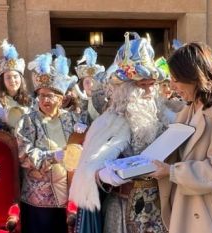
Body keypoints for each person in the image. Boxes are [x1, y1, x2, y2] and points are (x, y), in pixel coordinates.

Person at [69, 32, 170, 233]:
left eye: (152, 85)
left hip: (161, 206)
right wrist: (103, 174)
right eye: (142, 85)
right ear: (125, 87)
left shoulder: (166, 115)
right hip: (123, 207)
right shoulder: (108, 121)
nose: (150, 91)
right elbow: (88, 169)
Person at [148, 42, 212, 232]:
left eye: (176, 79)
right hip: (192, 209)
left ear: (194, 76)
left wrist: (171, 172)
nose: (172, 86)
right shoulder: (190, 107)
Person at [18, 50, 84, 233]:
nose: (45, 99)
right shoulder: (28, 120)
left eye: (50, 95)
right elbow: (23, 153)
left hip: (68, 195)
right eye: (41, 95)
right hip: (39, 199)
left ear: (61, 99)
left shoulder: (72, 119)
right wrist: (53, 156)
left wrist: (82, 140)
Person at [0, 40, 32, 132]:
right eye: (8, 77)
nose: (13, 81)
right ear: (2, 80)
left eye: (15, 77)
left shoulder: (30, 101)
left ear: (20, 79)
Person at [74, 47, 106, 122]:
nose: (91, 85)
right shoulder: (78, 105)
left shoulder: (107, 102)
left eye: (94, 81)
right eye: (87, 82)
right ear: (82, 85)